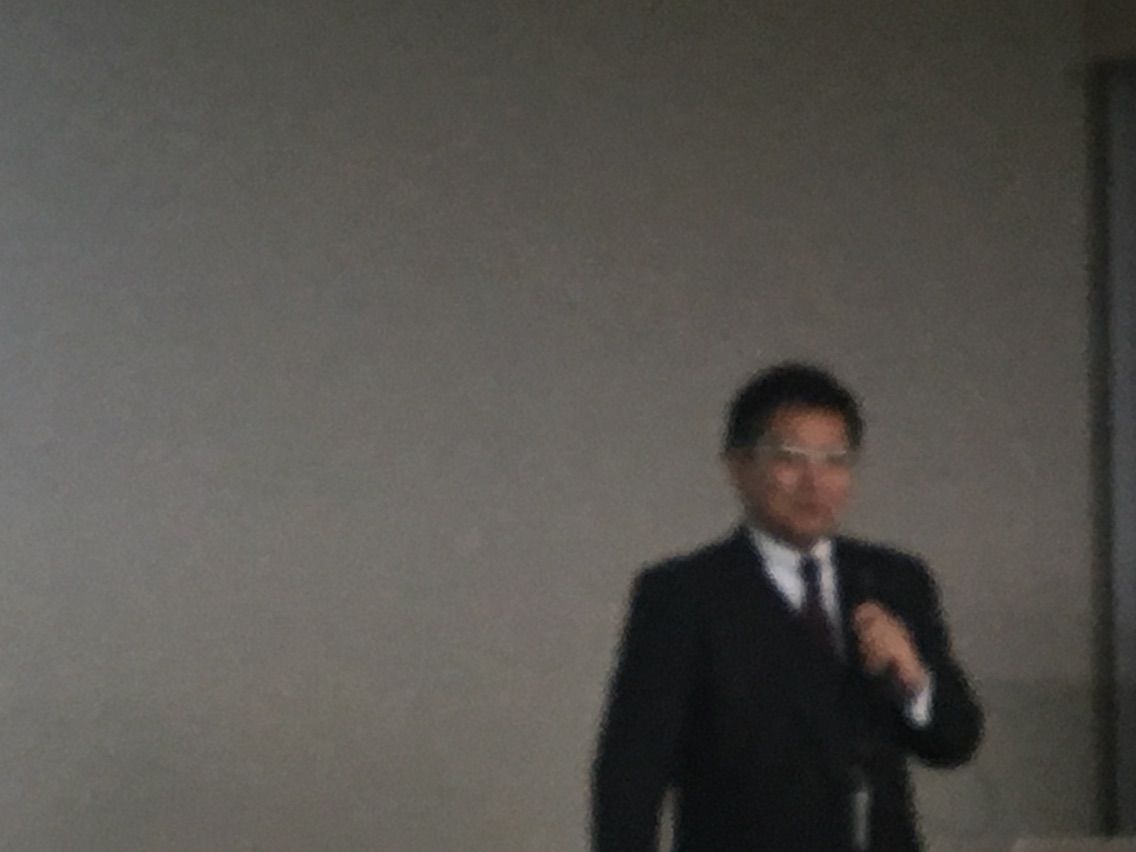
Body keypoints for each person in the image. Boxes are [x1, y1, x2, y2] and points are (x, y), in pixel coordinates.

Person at [591, 363, 982, 851]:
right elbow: (631, 774)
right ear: (739, 467)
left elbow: (955, 741)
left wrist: (915, 681)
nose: (814, 482)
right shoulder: (682, 595)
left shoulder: (894, 580)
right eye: (790, 459)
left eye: (835, 460)